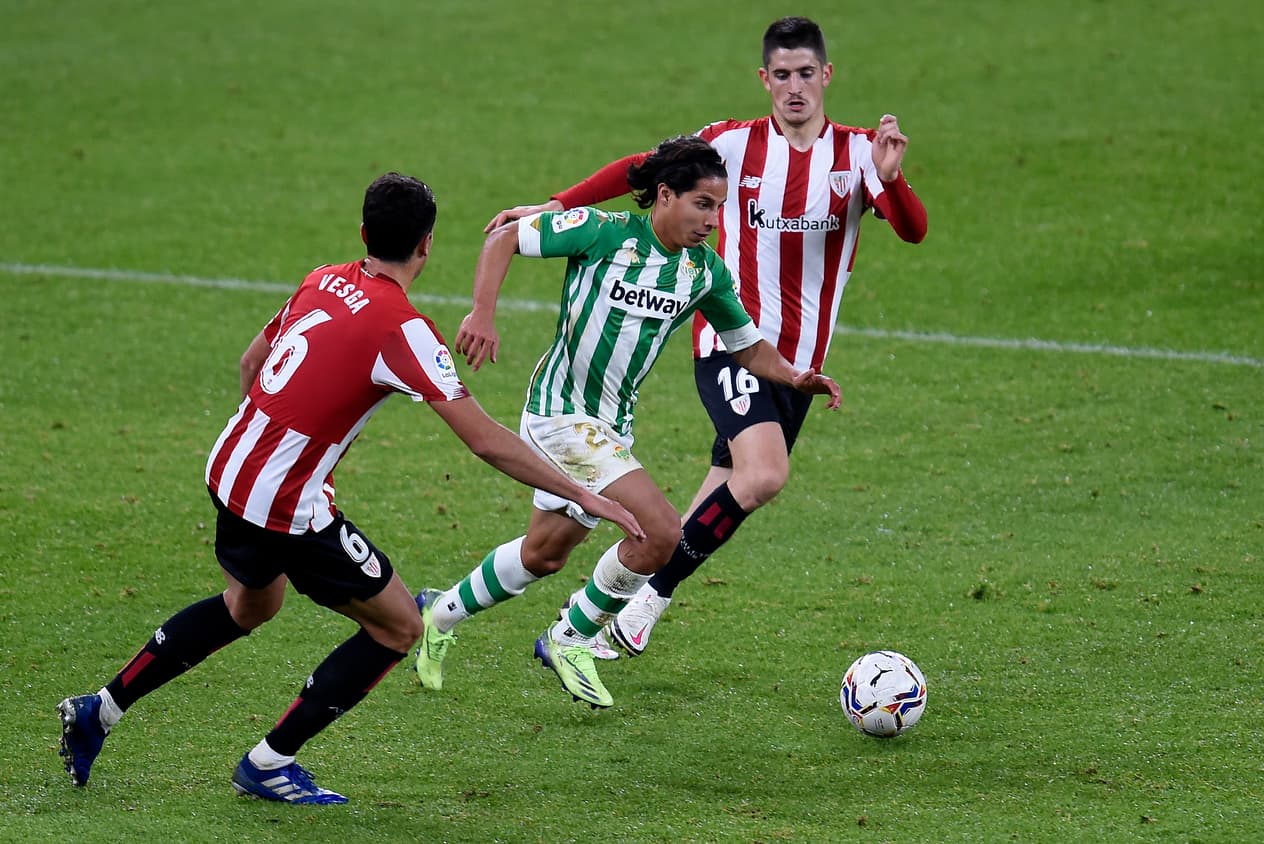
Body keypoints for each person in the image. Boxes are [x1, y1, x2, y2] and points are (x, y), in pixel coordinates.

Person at [56, 173, 643, 804]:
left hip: (230, 466)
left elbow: (254, 362)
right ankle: (269, 763)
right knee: (397, 628)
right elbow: (485, 439)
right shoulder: (405, 329)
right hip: (285, 507)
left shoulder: (320, 277)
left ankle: (100, 711)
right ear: (427, 245)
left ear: (364, 234)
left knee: (250, 606)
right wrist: (586, 495)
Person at [484, 16, 928, 657]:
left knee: (727, 485)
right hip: (728, 343)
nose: (795, 87)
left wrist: (890, 179)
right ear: (764, 79)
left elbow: (912, 231)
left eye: (807, 74)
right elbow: (640, 170)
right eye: (782, 75)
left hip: (794, 363)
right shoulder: (728, 145)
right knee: (766, 475)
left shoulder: (860, 154)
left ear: (826, 75)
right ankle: (643, 598)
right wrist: (555, 207)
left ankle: (628, 601)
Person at [412, 136, 841, 709]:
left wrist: (793, 377)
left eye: (719, 207)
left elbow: (746, 348)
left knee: (544, 554)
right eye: (702, 205)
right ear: (664, 196)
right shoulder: (603, 232)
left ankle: (439, 614)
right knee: (661, 532)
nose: (714, 220)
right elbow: (505, 236)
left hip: (611, 426)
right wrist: (482, 312)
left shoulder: (703, 272)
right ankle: (570, 639)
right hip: (561, 415)